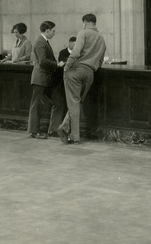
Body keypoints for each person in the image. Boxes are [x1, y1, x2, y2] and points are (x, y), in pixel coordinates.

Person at [58, 14, 106, 145]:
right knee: (78, 102)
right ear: (95, 23)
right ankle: (64, 127)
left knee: (73, 103)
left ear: (85, 23)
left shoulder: (83, 33)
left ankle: (75, 137)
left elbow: (75, 52)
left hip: (75, 71)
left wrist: (66, 67)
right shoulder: (101, 38)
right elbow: (101, 60)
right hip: (90, 73)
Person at [27, 21, 67, 139]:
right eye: (53, 31)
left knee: (58, 102)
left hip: (47, 79)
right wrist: (57, 64)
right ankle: (33, 131)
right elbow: (43, 61)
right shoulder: (40, 42)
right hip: (41, 78)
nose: (54, 33)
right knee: (37, 105)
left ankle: (53, 130)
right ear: (47, 30)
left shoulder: (44, 42)